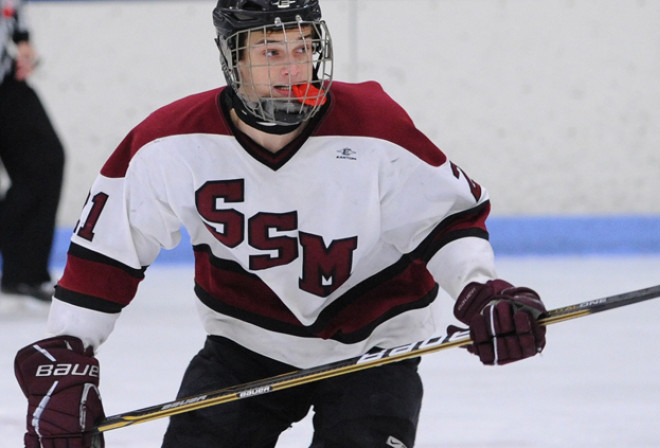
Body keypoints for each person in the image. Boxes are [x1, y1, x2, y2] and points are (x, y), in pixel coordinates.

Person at [13, 1, 547, 447]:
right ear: (234, 61)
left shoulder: (374, 127)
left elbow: (446, 220)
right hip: (243, 346)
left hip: (375, 349)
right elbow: (107, 255)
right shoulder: (170, 144)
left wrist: (481, 291)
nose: (293, 68)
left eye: (302, 48)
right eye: (271, 52)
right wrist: (66, 354)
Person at [0, 0, 64, 303]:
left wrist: (21, 42)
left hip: (6, 82)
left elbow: (11, 8)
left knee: (44, 162)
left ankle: (24, 273)